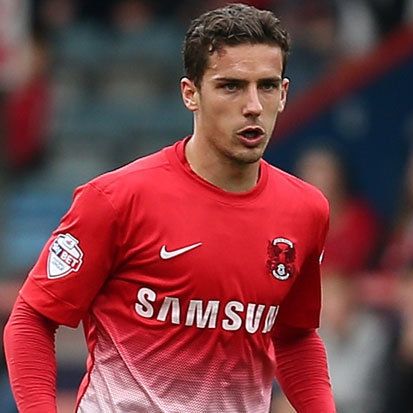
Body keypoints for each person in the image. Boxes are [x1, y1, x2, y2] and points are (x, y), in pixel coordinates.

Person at [4, 4, 336, 412]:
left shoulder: (306, 210)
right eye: (231, 86)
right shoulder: (115, 199)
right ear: (190, 94)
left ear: (283, 93)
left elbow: (295, 336)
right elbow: (31, 319)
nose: (253, 105)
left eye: (266, 86)